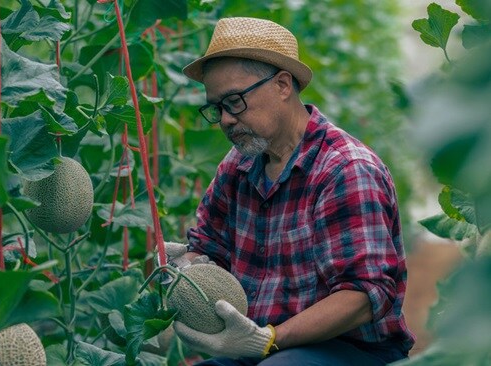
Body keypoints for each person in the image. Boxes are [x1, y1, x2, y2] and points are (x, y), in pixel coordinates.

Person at [164, 17, 415, 365]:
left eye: (234, 101)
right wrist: (185, 267)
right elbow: (210, 248)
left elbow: (363, 295)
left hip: (355, 350)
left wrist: (269, 339)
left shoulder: (345, 169)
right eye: (216, 108)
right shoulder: (238, 166)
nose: (225, 119)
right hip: (263, 344)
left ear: (283, 85)